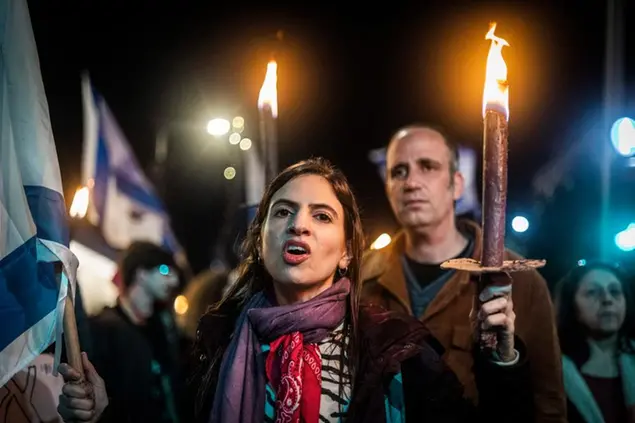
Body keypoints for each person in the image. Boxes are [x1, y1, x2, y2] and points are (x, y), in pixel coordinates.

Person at [57, 158, 533, 423]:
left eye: (321, 216)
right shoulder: (214, 345)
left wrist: (503, 362)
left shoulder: (394, 349)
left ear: (347, 251)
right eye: (283, 213)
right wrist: (103, 416)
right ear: (261, 238)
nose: (299, 225)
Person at [361, 125, 566, 422]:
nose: (411, 183)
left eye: (428, 166)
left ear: (457, 184)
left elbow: (548, 401)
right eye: (399, 172)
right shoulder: (361, 276)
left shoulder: (519, 280)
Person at [69, 241, 183, 423]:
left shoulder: (164, 329)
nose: (174, 280)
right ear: (141, 273)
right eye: (164, 271)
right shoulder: (103, 329)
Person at [554, 261, 635, 423]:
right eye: (592, 292)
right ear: (572, 305)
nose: (607, 299)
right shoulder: (554, 369)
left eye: (615, 291)